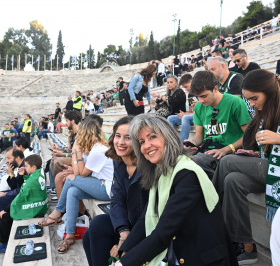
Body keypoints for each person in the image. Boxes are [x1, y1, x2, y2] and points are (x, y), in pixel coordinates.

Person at [113, 114, 238, 266]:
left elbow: (164, 230)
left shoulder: (187, 174)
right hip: (178, 252)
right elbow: (145, 218)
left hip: (203, 259)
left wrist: (123, 263)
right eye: (142, 142)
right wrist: (127, 248)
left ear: (168, 137)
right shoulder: (160, 171)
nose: (146, 146)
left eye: (152, 137)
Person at [212, 69, 280, 265]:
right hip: (268, 167)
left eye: (254, 98)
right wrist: (252, 153)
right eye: (249, 99)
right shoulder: (263, 111)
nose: (252, 104)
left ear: (269, 91)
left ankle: (209, 217)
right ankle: (247, 248)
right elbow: (252, 142)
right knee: (232, 181)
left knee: (227, 162)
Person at [38, 118, 114, 254]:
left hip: (108, 189)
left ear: (85, 133)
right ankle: (70, 235)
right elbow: (79, 171)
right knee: (72, 191)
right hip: (99, 183)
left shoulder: (98, 150)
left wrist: (75, 151)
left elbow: (81, 174)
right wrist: (75, 155)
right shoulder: (91, 148)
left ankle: (57, 213)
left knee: (70, 180)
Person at [83, 116, 148, 266]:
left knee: (97, 228)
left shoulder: (146, 167)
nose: (120, 142)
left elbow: (148, 214)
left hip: (145, 228)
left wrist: (126, 242)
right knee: (92, 232)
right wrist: (123, 232)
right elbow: (117, 199)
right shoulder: (119, 162)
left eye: (128, 138)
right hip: (129, 223)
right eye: (118, 136)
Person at [185, 71, 250, 178]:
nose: (200, 101)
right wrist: (191, 144)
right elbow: (199, 137)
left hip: (229, 150)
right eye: (198, 97)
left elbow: (248, 136)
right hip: (208, 149)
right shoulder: (199, 107)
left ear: (215, 89)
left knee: (196, 164)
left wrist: (225, 150)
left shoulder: (235, 102)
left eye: (204, 96)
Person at [0, 154, 48, 253]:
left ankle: (4, 243)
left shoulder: (31, 182)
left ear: (33, 167)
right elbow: (24, 187)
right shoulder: (38, 173)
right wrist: (21, 176)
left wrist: (5, 210)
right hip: (41, 206)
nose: (24, 167)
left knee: (5, 216)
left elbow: (20, 198)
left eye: (26, 166)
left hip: (36, 210)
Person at [167, 74, 194, 141]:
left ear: (191, 83)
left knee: (185, 118)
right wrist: (184, 113)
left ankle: (181, 143)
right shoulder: (190, 95)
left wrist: (185, 115)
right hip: (193, 116)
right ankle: (173, 141)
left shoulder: (200, 93)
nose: (185, 89)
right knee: (170, 118)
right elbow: (191, 111)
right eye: (168, 82)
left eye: (186, 86)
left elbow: (201, 112)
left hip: (199, 117)